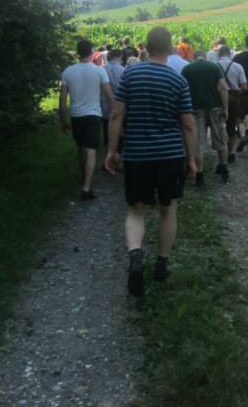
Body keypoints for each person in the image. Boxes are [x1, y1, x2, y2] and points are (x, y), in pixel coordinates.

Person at [106, 27, 199, 297]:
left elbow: (116, 114)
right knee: (168, 209)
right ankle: (161, 264)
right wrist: (192, 159)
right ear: (170, 48)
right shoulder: (177, 80)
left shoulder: (130, 75)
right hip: (170, 155)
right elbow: (188, 124)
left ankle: (136, 256)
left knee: (136, 209)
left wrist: (112, 151)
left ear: (146, 47)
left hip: (137, 154)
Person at [59, 39, 113, 200]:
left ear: (78, 52)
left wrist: (63, 120)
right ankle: (86, 188)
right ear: (91, 51)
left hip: (76, 115)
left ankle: (84, 177)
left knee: (81, 146)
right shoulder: (99, 71)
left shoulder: (68, 72)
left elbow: (62, 99)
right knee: (91, 149)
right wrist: (115, 113)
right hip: (93, 115)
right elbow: (109, 96)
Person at [181, 51, 231, 185]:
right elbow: (223, 88)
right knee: (220, 139)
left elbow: (182, 88)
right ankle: (224, 169)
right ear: (205, 57)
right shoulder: (214, 67)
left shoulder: (187, 69)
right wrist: (225, 108)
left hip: (195, 109)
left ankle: (200, 175)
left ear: (194, 57)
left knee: (198, 142)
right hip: (215, 107)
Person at [216, 44, 247, 162]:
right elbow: (244, 87)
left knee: (219, 126)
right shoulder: (238, 66)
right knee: (232, 125)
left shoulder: (214, 66)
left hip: (218, 98)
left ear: (219, 54)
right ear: (230, 54)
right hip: (234, 97)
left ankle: (221, 153)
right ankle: (231, 152)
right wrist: (236, 93)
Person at [100, 48, 126, 161]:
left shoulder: (102, 69)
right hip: (120, 106)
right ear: (120, 57)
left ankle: (108, 152)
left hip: (104, 105)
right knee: (119, 129)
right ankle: (118, 154)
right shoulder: (123, 70)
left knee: (106, 128)